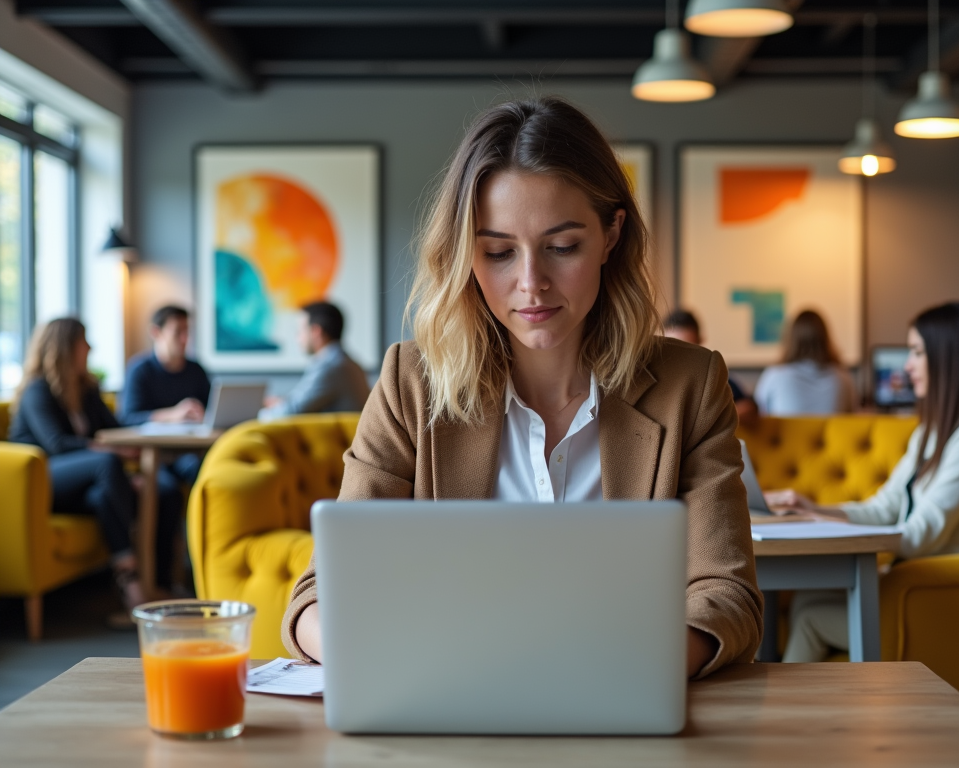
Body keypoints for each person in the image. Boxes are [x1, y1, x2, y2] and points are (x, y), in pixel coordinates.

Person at [281, 97, 763, 679]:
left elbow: (726, 596)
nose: (531, 284)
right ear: (465, 254)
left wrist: (629, 667)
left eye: (563, 247)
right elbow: (318, 594)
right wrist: (366, 649)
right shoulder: (411, 383)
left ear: (611, 235)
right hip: (446, 705)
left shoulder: (691, 385)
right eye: (499, 252)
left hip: (622, 706)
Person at [765, 303, 959, 662]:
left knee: (809, 617)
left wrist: (836, 531)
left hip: (952, 601)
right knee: (808, 598)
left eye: (917, 352)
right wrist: (813, 508)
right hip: (921, 588)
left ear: (950, 358)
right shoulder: (935, 431)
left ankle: (784, 717)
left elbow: (922, 535)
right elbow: (883, 507)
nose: (907, 365)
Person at [8, 318, 186, 611]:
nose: (90, 347)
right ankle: (132, 570)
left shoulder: (86, 389)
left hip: (89, 483)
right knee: (106, 462)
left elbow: (115, 429)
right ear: (65, 347)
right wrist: (112, 454)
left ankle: (154, 584)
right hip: (41, 481)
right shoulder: (37, 391)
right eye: (83, 341)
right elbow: (57, 444)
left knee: (161, 490)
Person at [120, 305, 211, 485]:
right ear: (156, 332)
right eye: (178, 332)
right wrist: (173, 415)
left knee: (204, 466)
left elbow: (213, 409)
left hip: (192, 450)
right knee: (168, 489)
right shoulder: (139, 370)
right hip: (154, 455)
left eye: (187, 332)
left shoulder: (196, 370)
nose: (185, 339)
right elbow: (128, 418)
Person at [258, 302, 371, 420]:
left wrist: (261, 414)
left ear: (316, 331)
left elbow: (291, 412)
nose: (297, 337)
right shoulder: (346, 362)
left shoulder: (330, 366)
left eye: (300, 330)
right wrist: (283, 403)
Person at [663, 309, 759, 429]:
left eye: (689, 348)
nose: (682, 357)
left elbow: (749, 408)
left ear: (701, 341)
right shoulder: (658, 383)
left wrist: (715, 419)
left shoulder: (716, 379)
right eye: (674, 348)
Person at [754, 309, 856, 415]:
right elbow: (851, 419)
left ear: (791, 339)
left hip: (787, 432)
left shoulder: (774, 375)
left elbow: (757, 414)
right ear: (825, 338)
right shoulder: (843, 378)